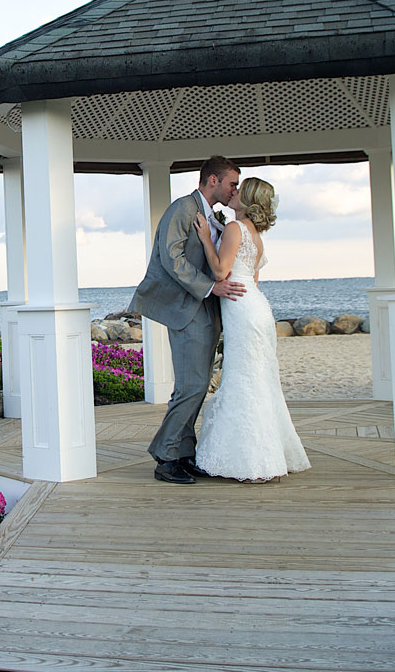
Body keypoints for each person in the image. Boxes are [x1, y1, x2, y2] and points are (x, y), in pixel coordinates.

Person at [129, 156, 246, 484]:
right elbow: (171, 257)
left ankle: (183, 454)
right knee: (191, 387)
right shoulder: (182, 209)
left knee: (196, 387)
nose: (234, 189)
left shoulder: (215, 216)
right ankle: (166, 456)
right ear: (213, 181)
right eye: (231, 183)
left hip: (207, 309)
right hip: (186, 308)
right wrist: (211, 286)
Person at [191, 177, 312, 483]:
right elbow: (253, 279)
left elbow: (221, 271)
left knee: (245, 379)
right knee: (259, 380)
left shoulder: (235, 228)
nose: (234, 192)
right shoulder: (255, 234)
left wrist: (206, 238)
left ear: (248, 199)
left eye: (239, 190)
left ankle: (250, 460)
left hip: (242, 310)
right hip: (256, 306)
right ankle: (267, 455)